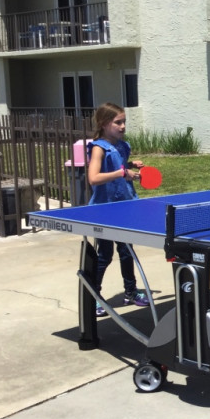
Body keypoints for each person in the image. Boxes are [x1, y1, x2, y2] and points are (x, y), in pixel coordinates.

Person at [87, 103, 150, 317]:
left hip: (125, 206)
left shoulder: (123, 146)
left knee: (126, 252)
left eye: (124, 121)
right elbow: (94, 178)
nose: (123, 126)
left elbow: (118, 167)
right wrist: (122, 173)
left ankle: (130, 292)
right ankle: (94, 296)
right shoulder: (98, 147)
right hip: (105, 210)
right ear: (104, 124)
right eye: (118, 122)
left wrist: (130, 166)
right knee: (104, 255)